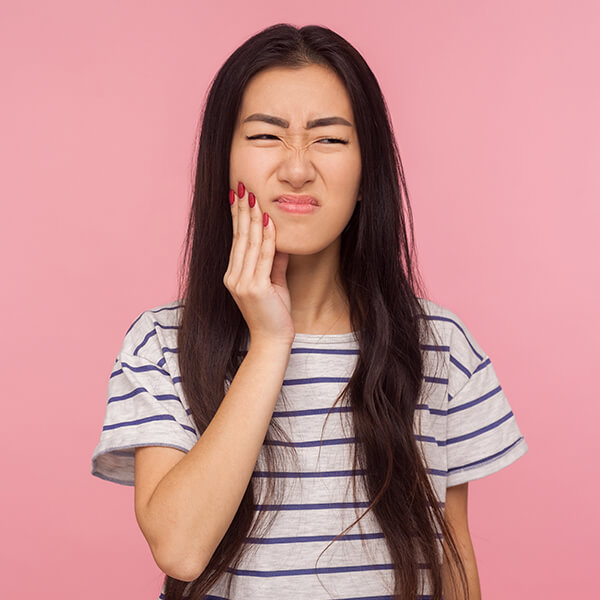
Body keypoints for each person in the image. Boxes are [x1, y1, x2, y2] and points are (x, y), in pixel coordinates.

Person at [90, 23, 528, 600]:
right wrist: (270, 343)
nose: (297, 169)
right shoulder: (162, 342)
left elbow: (453, 557)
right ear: (223, 163)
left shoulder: (441, 348)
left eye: (329, 139)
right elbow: (180, 549)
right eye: (268, 137)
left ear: (368, 170)